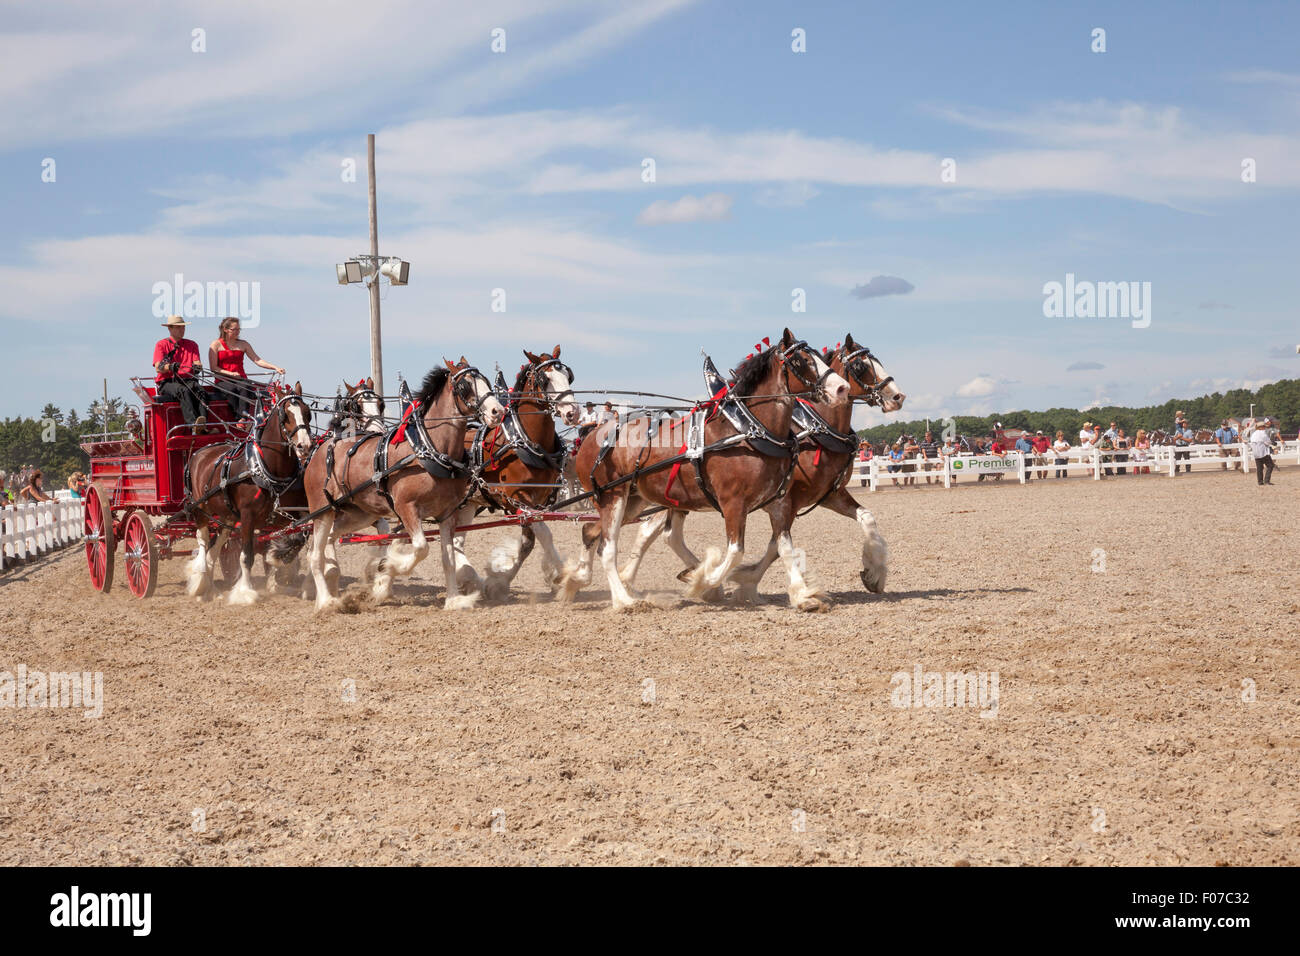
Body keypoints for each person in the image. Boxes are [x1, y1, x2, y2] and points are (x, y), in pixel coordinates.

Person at [208, 316, 285, 422]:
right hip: (223, 380)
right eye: (234, 329)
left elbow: (257, 360)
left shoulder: (243, 344)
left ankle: (243, 419)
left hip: (240, 379)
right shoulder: (215, 344)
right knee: (231, 389)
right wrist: (230, 374)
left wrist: (275, 367)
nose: (237, 332)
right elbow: (213, 368)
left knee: (245, 386)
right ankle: (238, 417)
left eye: (238, 329)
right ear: (225, 330)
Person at [153, 314, 206, 430]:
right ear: (170, 328)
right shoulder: (161, 345)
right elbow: (158, 367)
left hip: (187, 380)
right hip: (168, 382)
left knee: (200, 390)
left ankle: (203, 424)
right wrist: (170, 367)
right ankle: (193, 425)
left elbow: (197, 361)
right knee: (182, 390)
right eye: (178, 327)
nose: (182, 330)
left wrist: (197, 367)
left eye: (183, 327)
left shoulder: (192, 345)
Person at [1249, 420, 1276, 485]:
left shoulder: (1254, 434)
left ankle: (1260, 482)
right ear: (1261, 427)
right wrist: (1273, 443)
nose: (1265, 428)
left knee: (1259, 468)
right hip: (1263, 452)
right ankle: (1266, 481)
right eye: (1264, 426)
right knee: (1270, 466)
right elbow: (1268, 442)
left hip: (1256, 453)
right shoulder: (1263, 433)